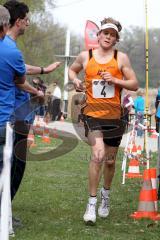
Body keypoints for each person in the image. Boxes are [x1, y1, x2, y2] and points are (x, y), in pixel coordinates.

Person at [69, 17, 138, 224]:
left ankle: (105, 197)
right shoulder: (85, 56)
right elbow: (72, 70)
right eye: (105, 33)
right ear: (98, 35)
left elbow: (134, 84)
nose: (108, 37)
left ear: (116, 39)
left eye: (112, 35)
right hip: (92, 114)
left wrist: (116, 80)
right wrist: (75, 81)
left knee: (109, 161)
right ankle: (91, 204)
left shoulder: (121, 58)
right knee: (97, 155)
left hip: (115, 117)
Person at [3, 0, 61, 208]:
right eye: (27, 19)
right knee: (15, 166)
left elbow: (21, 67)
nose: (28, 23)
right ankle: (5, 213)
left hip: (15, 115)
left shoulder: (7, 46)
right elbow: (20, 79)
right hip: (14, 115)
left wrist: (45, 70)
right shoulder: (9, 48)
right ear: (18, 21)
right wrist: (38, 93)